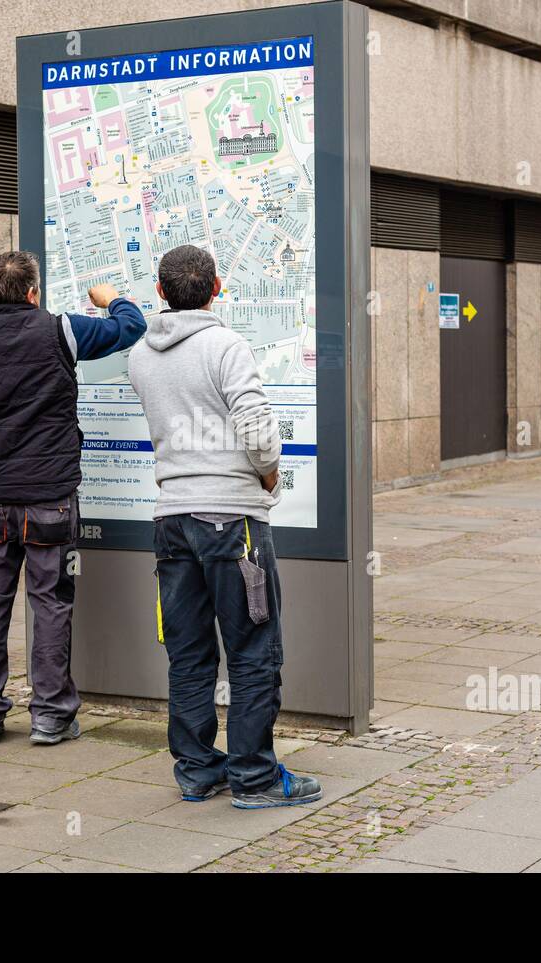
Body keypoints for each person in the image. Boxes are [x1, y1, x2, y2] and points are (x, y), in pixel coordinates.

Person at [126, 244, 321, 810]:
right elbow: (258, 427)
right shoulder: (225, 346)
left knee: (188, 655)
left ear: (161, 293)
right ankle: (255, 778)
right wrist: (268, 477)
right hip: (231, 523)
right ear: (216, 289)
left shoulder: (141, 354)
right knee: (254, 650)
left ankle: (196, 770)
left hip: (171, 521)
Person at [0, 251, 146, 745]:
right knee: (50, 603)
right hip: (51, 499)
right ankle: (51, 716)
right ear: (32, 293)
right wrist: (110, 297)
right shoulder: (61, 330)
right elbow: (130, 326)